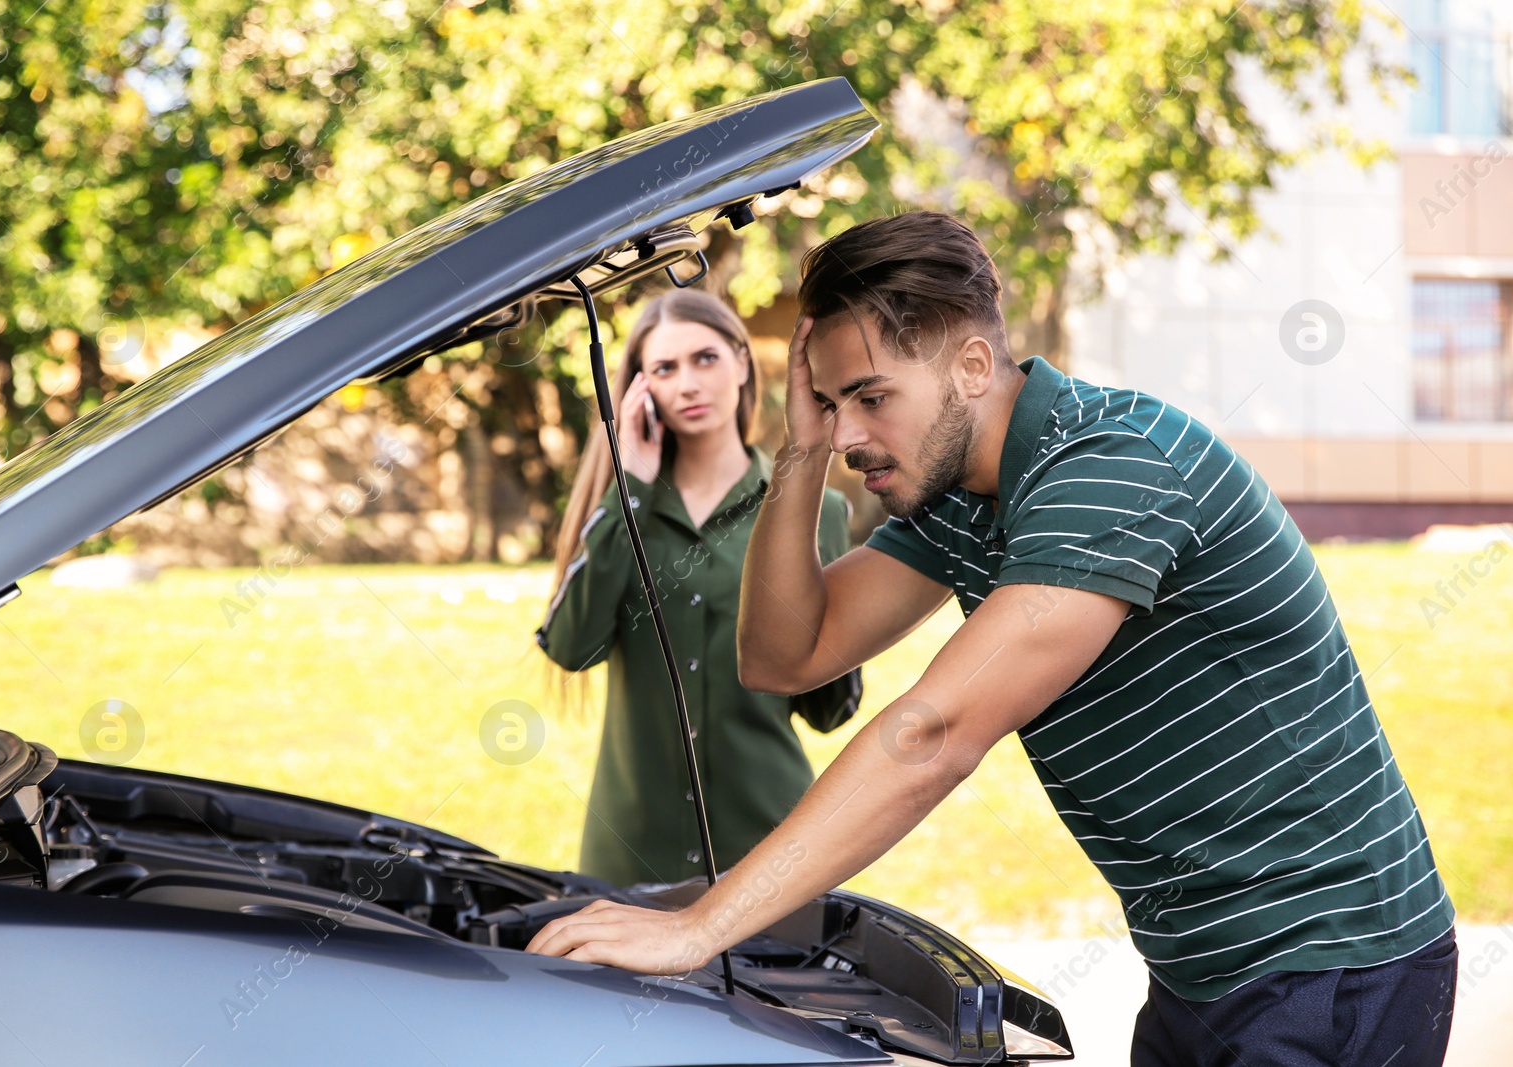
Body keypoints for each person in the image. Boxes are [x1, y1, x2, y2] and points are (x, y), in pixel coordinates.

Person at [528, 212, 1458, 1067]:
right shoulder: (961, 497)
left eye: (870, 396)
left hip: (1334, 961)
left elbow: (934, 733)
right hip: (1199, 966)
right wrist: (800, 449)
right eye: (830, 400)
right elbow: (784, 656)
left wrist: (699, 927)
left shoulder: (1110, 469)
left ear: (973, 365)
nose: (851, 432)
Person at [536, 288, 862, 889]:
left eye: (705, 358)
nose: (687, 383)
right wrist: (627, 481)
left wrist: (817, 583)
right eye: (664, 367)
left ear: (742, 362)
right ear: (641, 389)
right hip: (629, 859)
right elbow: (569, 648)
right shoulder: (620, 511)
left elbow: (830, 711)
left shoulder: (820, 511)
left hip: (772, 857)